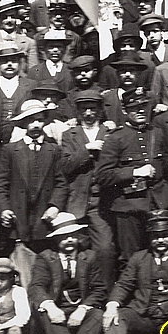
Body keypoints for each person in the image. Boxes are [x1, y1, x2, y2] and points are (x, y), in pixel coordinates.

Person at [95, 88, 168, 270]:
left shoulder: (157, 133)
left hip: (160, 202)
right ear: (125, 110)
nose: (141, 111)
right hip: (129, 207)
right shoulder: (116, 138)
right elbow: (102, 176)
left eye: (144, 106)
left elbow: (164, 166)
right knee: (132, 257)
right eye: (134, 107)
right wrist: (134, 172)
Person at [0, 100, 68, 261]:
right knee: (18, 260)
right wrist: (4, 209)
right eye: (31, 120)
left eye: (40, 120)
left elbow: (61, 183)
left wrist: (55, 206)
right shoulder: (10, 150)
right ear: (23, 123)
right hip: (17, 215)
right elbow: (0, 184)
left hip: (43, 215)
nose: (35, 124)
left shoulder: (53, 150)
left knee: (43, 258)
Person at [29, 212, 108, 334]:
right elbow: (36, 286)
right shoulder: (46, 257)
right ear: (56, 238)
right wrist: (51, 307)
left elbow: (99, 289)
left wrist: (83, 309)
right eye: (64, 237)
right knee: (44, 312)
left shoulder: (89, 256)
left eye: (73, 235)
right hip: (57, 308)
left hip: (80, 308)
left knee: (97, 314)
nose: (70, 240)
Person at [60, 89, 116, 257]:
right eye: (84, 109)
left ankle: (105, 284)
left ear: (100, 110)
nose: (88, 113)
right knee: (77, 249)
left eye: (93, 108)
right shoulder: (69, 135)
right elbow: (65, 166)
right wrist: (86, 149)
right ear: (77, 111)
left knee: (105, 248)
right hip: (76, 201)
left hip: (102, 201)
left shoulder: (111, 133)